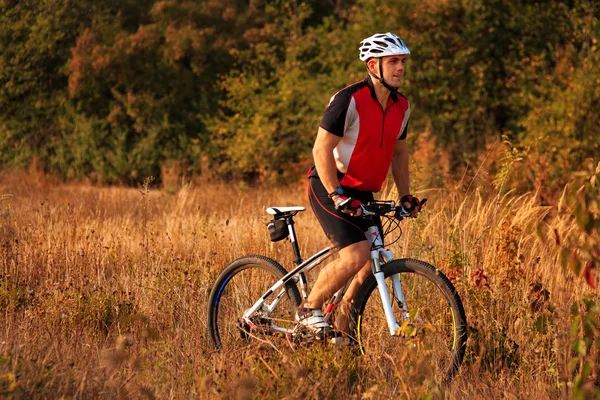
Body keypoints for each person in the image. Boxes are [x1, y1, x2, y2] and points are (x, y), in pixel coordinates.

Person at [297, 32, 423, 337]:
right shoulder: (349, 99)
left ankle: (343, 325)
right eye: (393, 61)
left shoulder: (402, 106)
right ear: (372, 65)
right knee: (356, 254)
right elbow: (321, 150)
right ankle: (307, 310)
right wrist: (336, 194)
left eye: (402, 61)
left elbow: (400, 152)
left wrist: (406, 196)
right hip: (330, 184)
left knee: (372, 261)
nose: (401, 68)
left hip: (363, 190)